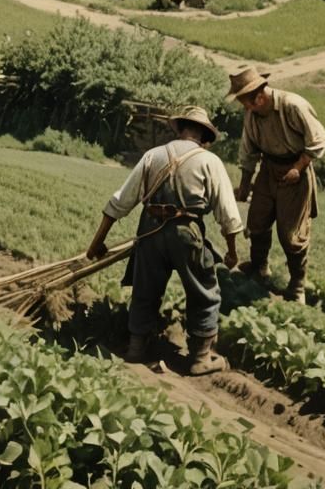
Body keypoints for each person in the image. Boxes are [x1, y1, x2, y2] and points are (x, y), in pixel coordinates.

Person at [86, 105, 242, 375]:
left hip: (150, 230)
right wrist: (231, 252)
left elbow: (119, 203)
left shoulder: (152, 155)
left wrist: (97, 243)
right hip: (186, 231)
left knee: (145, 288)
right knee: (204, 291)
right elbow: (228, 215)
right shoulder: (209, 161)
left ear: (179, 129)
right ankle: (200, 358)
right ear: (205, 136)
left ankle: (136, 348)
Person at [228, 66, 325, 304]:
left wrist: (298, 167)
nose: (245, 108)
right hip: (268, 169)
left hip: (295, 169)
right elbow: (248, 150)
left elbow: (318, 140)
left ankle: (297, 285)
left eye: (246, 103)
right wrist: (244, 184)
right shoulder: (252, 116)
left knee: (292, 234)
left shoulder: (293, 106)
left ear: (260, 96)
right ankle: (259, 268)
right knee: (257, 221)